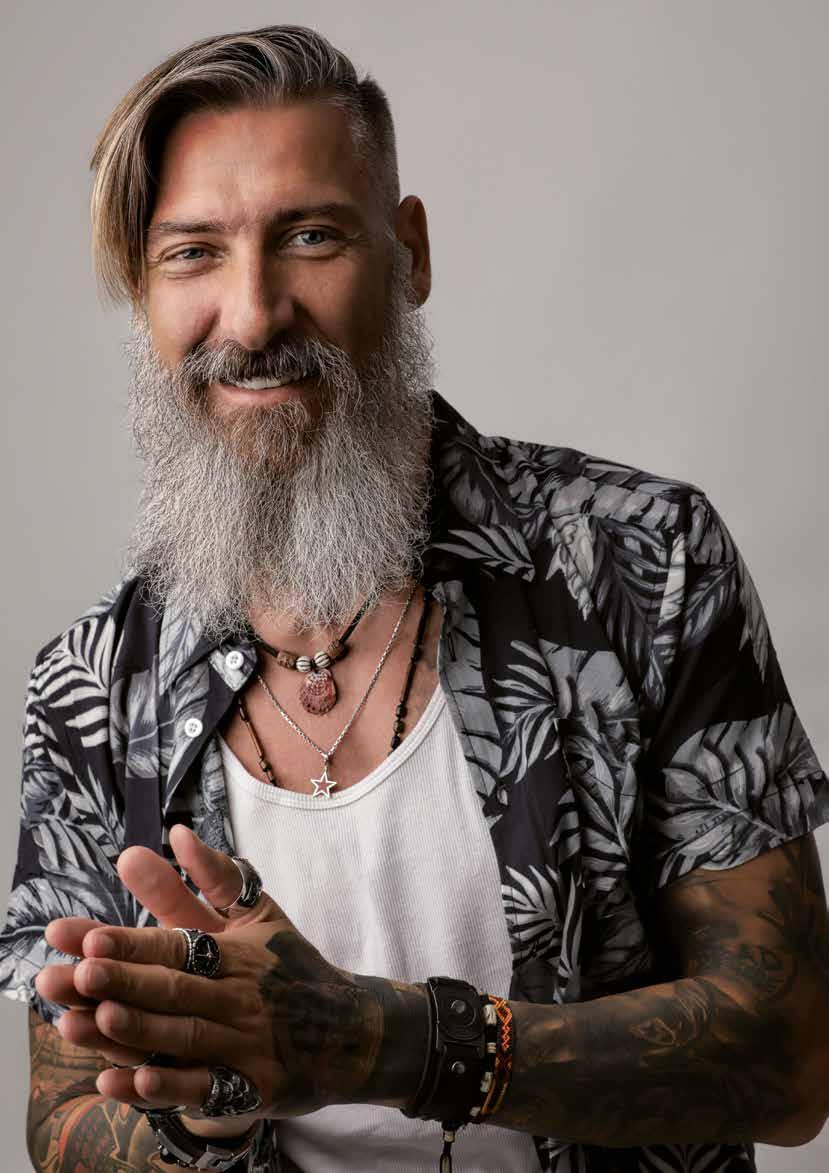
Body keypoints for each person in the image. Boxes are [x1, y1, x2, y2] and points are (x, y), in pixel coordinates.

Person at [1, 23, 827, 1173]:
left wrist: (380, 1042)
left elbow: (789, 1058)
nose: (253, 315)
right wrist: (206, 1102)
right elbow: (60, 1118)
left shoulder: (643, 564)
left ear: (409, 255)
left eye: (310, 236)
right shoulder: (92, 686)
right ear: (145, 297)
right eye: (192, 253)